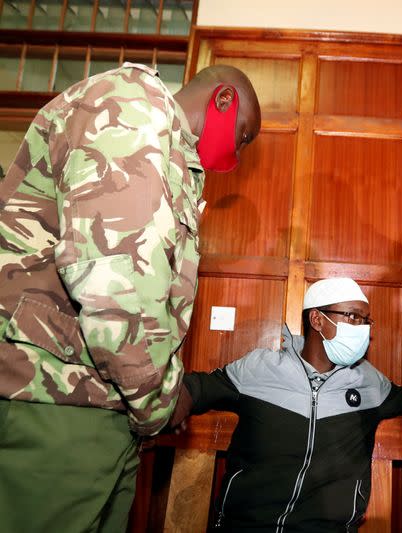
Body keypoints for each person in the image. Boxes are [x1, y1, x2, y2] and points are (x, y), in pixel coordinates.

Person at [0, 62, 261, 532]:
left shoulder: (169, 150)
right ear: (223, 100)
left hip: (102, 400)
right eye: (242, 136)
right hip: (54, 397)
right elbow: (112, 286)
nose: (236, 156)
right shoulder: (133, 109)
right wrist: (160, 402)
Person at [169, 277, 402, 532]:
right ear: (318, 320)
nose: (363, 329)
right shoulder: (260, 368)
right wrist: (176, 400)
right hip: (245, 526)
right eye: (353, 317)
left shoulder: (367, 382)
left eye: (366, 320)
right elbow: (200, 387)